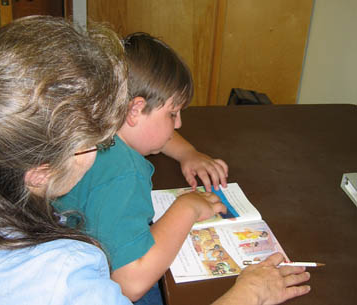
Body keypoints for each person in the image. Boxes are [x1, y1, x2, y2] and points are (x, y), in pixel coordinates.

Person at [0, 15, 310, 305]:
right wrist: (249, 294)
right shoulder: (65, 279)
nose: (106, 140)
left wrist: (184, 151)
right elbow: (129, 282)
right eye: (94, 137)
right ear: (40, 172)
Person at [54, 33, 305, 305]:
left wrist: (188, 153)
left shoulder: (92, 126)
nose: (178, 124)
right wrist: (187, 208)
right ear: (134, 110)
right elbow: (129, 283)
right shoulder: (123, 172)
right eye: (173, 114)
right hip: (101, 283)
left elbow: (150, 131)